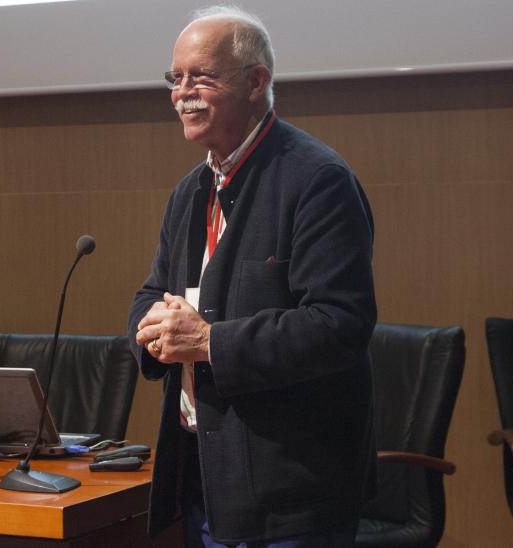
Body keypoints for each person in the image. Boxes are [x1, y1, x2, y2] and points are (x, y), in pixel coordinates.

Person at [128, 6, 378, 547]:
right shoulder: (190, 191)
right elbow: (153, 292)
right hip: (205, 476)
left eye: (202, 77)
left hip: (291, 492)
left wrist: (209, 341)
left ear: (256, 81)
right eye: (176, 79)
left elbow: (338, 325)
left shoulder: (317, 180)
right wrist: (151, 329)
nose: (182, 93)